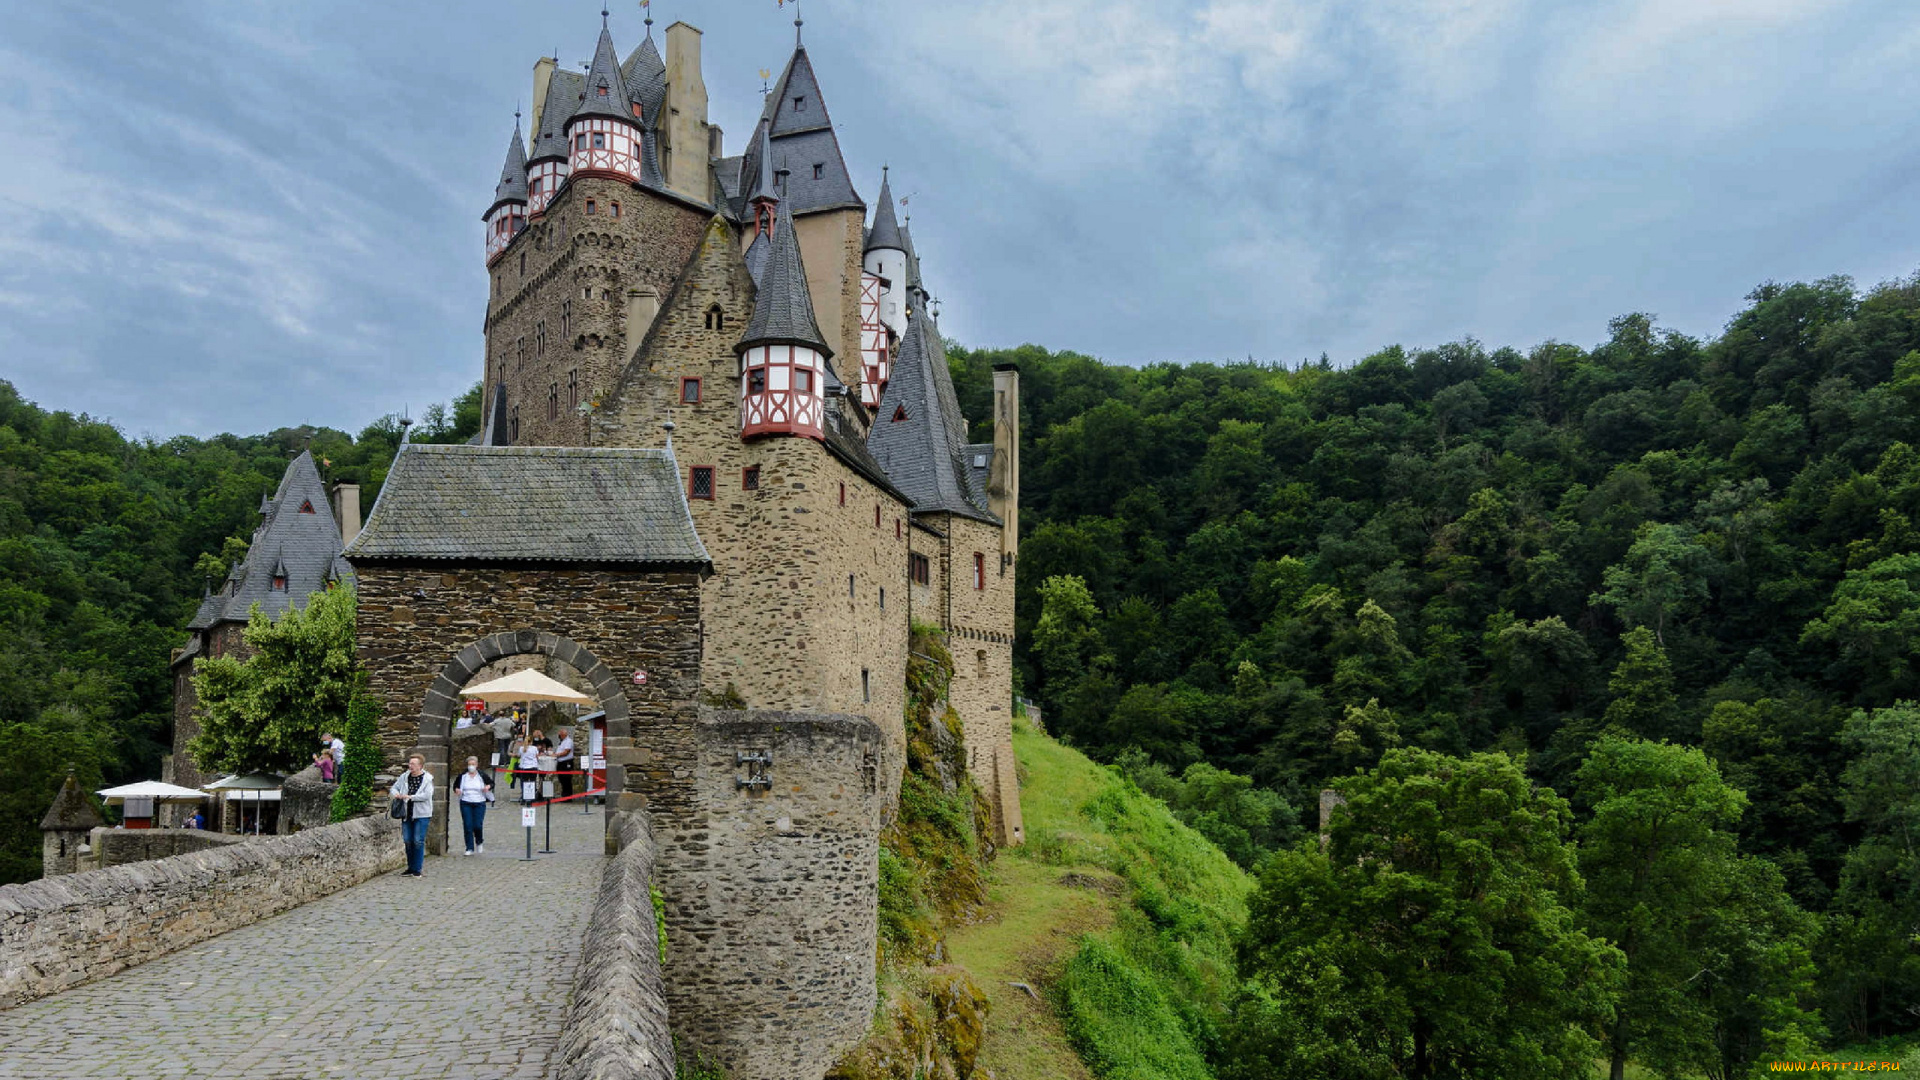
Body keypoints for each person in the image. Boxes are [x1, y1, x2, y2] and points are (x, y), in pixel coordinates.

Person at [389, 754, 434, 877]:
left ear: (420, 766)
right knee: (408, 841)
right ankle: (410, 867)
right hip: (406, 813)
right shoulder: (404, 777)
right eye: (410, 764)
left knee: (418, 841)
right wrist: (397, 794)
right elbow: (393, 788)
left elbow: (427, 795)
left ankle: (417, 869)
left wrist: (411, 797)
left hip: (421, 814)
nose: (410, 766)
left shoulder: (427, 779)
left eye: (413, 764)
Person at [453, 756, 493, 856]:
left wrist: (488, 786)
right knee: (467, 825)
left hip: (479, 802)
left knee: (477, 825)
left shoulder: (481, 775)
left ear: (477, 765)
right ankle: (469, 847)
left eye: (473, 764)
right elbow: (455, 786)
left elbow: (491, 783)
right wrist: (457, 790)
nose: (471, 766)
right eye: (469, 764)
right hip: (466, 802)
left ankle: (479, 841)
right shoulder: (463, 776)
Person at [515, 732, 542, 803]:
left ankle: (524, 797)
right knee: (532, 782)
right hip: (533, 767)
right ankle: (532, 797)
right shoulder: (534, 748)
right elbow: (537, 757)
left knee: (524, 783)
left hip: (524, 767)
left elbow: (519, 755)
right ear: (532, 741)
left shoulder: (521, 748)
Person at [553, 727, 576, 800]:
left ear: (563, 735)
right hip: (560, 762)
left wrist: (557, 755)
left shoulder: (568, 741)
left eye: (560, 735)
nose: (559, 736)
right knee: (561, 779)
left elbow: (566, 752)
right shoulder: (562, 741)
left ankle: (568, 796)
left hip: (566, 762)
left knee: (566, 779)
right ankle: (564, 795)